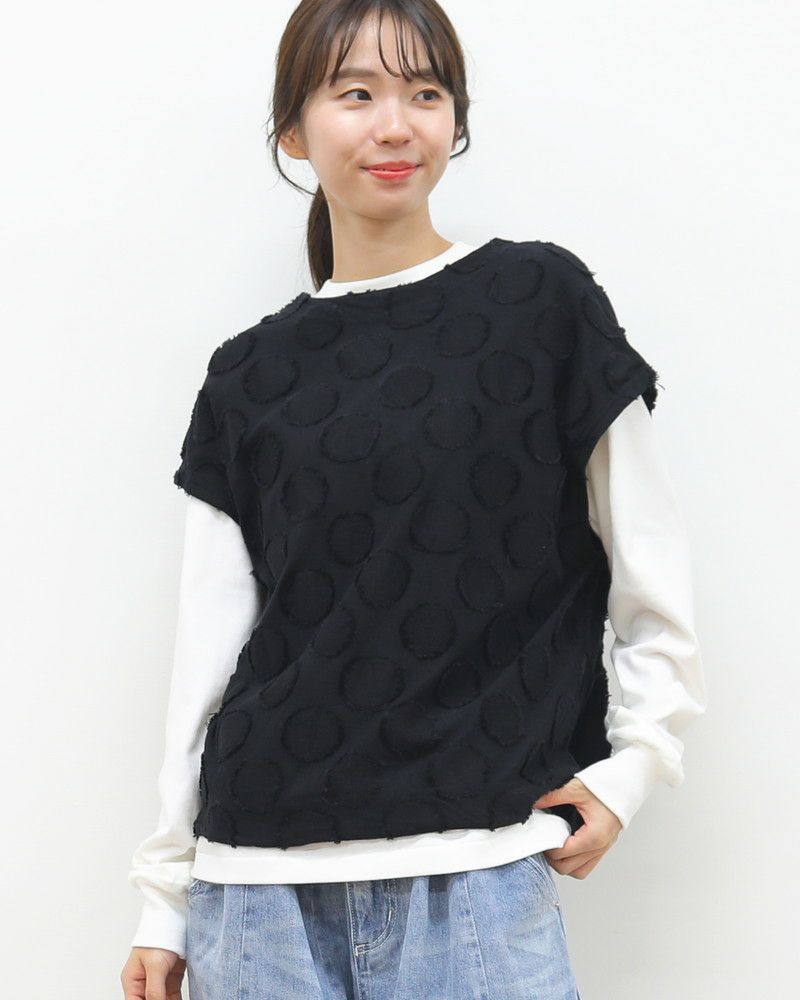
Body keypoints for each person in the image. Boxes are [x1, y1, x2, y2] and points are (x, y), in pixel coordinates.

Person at [120, 2, 707, 998]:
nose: (394, 125)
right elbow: (208, 651)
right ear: (293, 132)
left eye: (424, 94)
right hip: (253, 892)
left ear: (454, 121)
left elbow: (647, 562)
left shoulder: (540, 303)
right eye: (355, 94)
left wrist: (635, 763)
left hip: (477, 871)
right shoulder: (247, 374)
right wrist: (164, 895)